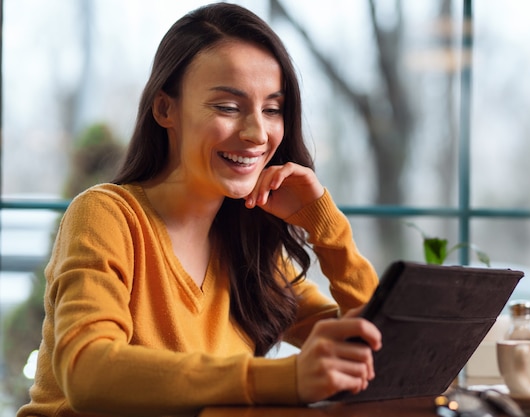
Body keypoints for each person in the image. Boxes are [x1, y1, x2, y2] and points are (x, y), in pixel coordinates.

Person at [18, 3, 382, 416]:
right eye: (228, 107)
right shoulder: (106, 215)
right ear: (165, 109)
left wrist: (327, 227)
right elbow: (87, 372)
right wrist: (281, 379)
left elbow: (375, 351)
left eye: (272, 109)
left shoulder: (250, 246)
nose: (256, 133)